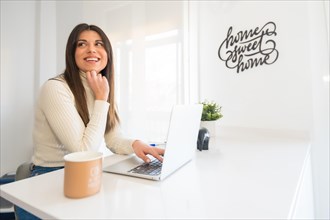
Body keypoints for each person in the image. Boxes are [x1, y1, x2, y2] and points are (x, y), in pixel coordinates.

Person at [16, 23, 165, 220]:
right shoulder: (55, 88)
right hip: (49, 178)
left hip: (86, 174)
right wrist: (101, 99)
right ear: (72, 53)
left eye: (99, 44)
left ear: (107, 53)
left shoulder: (100, 86)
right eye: (82, 44)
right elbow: (83, 151)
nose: (92, 49)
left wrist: (135, 144)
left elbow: (112, 137)